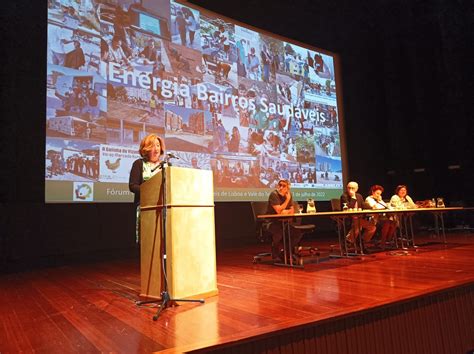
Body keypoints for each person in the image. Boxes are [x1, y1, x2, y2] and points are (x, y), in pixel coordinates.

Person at [129, 134, 165, 242]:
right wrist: (151, 191)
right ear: (146, 149)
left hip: (163, 209)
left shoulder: (166, 165)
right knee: (147, 242)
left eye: (158, 145)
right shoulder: (139, 164)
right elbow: (133, 186)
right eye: (153, 146)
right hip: (146, 209)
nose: (156, 148)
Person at [266, 179, 303, 262]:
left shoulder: (289, 195)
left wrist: (284, 211)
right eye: (280, 185)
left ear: (288, 188)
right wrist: (287, 200)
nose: (281, 187)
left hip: (285, 222)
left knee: (297, 232)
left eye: (284, 186)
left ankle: (285, 253)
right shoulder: (274, 194)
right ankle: (275, 250)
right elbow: (279, 211)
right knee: (279, 230)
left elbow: (292, 211)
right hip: (272, 222)